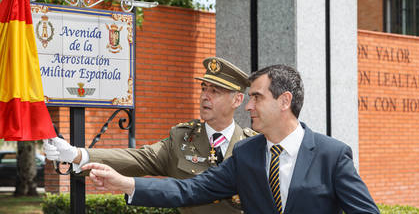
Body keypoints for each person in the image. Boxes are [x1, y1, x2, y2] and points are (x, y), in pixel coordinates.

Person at [81, 64, 380, 214]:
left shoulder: (332, 155)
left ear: (284, 100)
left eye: (257, 98)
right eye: (248, 98)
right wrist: (127, 184)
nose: (248, 106)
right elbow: (189, 190)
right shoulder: (246, 153)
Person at [43, 57, 258, 214]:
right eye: (204, 88)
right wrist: (76, 154)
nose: (205, 96)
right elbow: (139, 159)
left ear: (237, 100)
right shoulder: (182, 139)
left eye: (215, 91)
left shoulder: (253, 144)